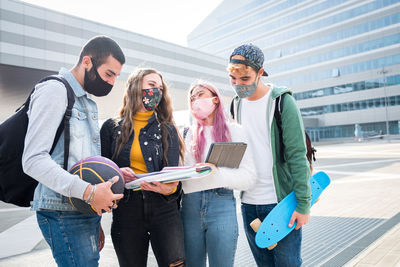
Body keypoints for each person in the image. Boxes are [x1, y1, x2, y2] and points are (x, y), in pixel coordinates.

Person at [22, 36, 125, 266]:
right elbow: (33, 160)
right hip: (62, 211)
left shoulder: (87, 102)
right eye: (109, 74)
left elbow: (83, 165)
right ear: (87, 62)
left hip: (82, 209)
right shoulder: (54, 90)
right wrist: (89, 193)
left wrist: (112, 175)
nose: (111, 83)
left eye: (116, 77)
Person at [228, 44, 311, 267]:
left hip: (281, 203)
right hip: (248, 204)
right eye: (233, 79)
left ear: (260, 72)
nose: (238, 85)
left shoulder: (282, 102)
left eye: (245, 79)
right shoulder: (235, 105)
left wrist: (303, 205)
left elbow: (297, 155)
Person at [100, 68, 185, 267]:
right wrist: (117, 173)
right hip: (127, 210)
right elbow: (100, 170)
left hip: (164, 209)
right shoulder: (111, 128)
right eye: (151, 85)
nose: (157, 92)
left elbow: (172, 176)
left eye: (160, 88)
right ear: (135, 87)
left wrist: (169, 188)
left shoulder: (168, 128)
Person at [180, 81, 256, 267]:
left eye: (200, 94)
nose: (195, 100)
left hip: (221, 204)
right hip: (189, 207)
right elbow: (181, 177)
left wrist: (217, 174)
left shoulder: (235, 132)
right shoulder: (186, 135)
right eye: (192, 98)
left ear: (215, 99)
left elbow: (249, 177)